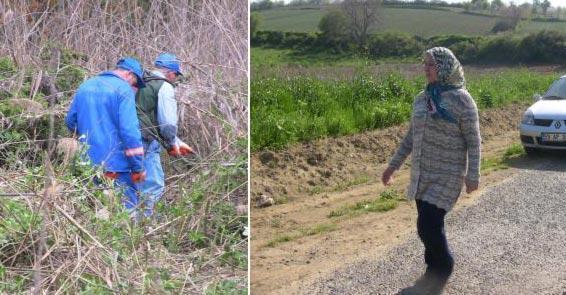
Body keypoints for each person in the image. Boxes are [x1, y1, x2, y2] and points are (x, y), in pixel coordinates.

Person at [381, 47, 481, 295]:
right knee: (429, 227)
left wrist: (473, 175)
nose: (425, 69)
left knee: (427, 224)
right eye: (424, 64)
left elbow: (473, 140)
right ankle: (431, 271)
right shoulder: (421, 99)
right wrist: (393, 166)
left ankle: (443, 269)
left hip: (447, 175)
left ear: (446, 67)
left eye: (431, 65)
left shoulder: (462, 100)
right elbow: (410, 138)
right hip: (422, 176)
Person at [65, 57, 147, 216]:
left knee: (91, 210)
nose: (134, 87)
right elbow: (129, 131)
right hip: (116, 166)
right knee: (125, 213)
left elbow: (70, 121)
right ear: (129, 74)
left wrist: (89, 134)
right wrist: (138, 167)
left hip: (86, 163)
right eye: (135, 82)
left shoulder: (85, 86)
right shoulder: (123, 90)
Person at [135, 53, 193, 217]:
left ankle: (128, 227)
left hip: (125, 138)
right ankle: (148, 228)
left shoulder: (138, 81)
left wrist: (177, 142)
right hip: (145, 141)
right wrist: (171, 143)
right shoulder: (164, 86)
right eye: (176, 75)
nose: (175, 79)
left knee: (131, 184)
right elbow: (167, 124)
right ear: (170, 72)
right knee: (153, 186)